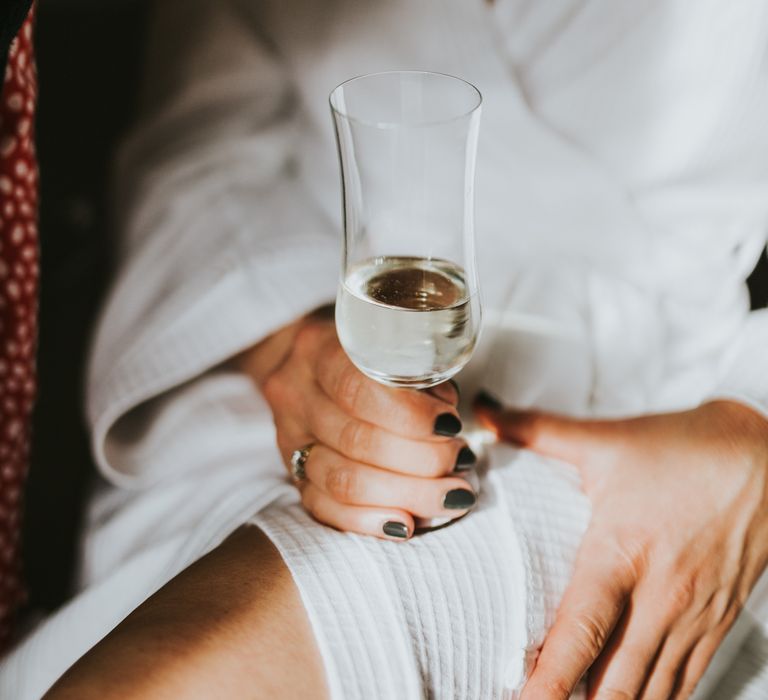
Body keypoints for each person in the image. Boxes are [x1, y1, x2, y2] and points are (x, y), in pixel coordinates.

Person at [3, 0, 768, 697]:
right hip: (282, 374)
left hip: (655, 427)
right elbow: (203, 154)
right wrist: (286, 352)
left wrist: (752, 433)